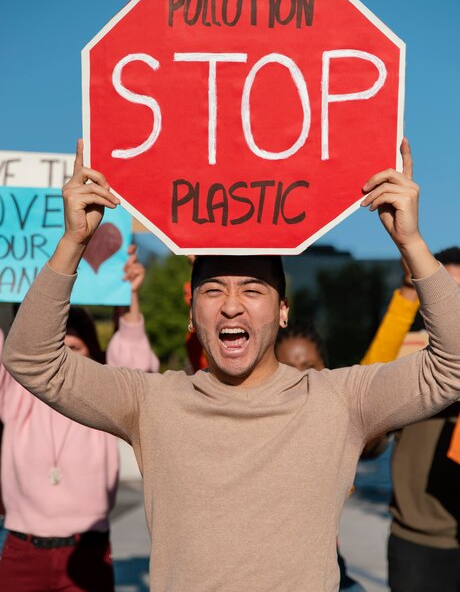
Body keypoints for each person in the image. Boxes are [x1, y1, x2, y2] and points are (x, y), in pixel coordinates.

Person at [3, 137, 460, 592]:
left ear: (283, 310)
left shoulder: (340, 400)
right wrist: (73, 241)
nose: (231, 306)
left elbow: (452, 367)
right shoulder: (150, 401)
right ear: (191, 312)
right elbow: (32, 360)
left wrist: (411, 243)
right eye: (214, 290)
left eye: (253, 290)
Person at [0, 245, 159, 592]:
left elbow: (134, 365)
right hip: (22, 550)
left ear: (92, 354)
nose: (61, 365)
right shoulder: (17, 393)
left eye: (74, 351)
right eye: (55, 353)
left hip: (89, 550)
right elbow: (16, 352)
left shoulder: (103, 403)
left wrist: (128, 295)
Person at [360, 247, 460, 592]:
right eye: (442, 289)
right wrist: (406, 291)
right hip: (416, 539)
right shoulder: (413, 351)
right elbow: (368, 386)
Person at [276, 323, 365, 592]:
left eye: (310, 366)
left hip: (328, 569)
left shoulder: (339, 418)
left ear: (326, 366)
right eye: (289, 368)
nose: (302, 376)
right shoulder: (261, 429)